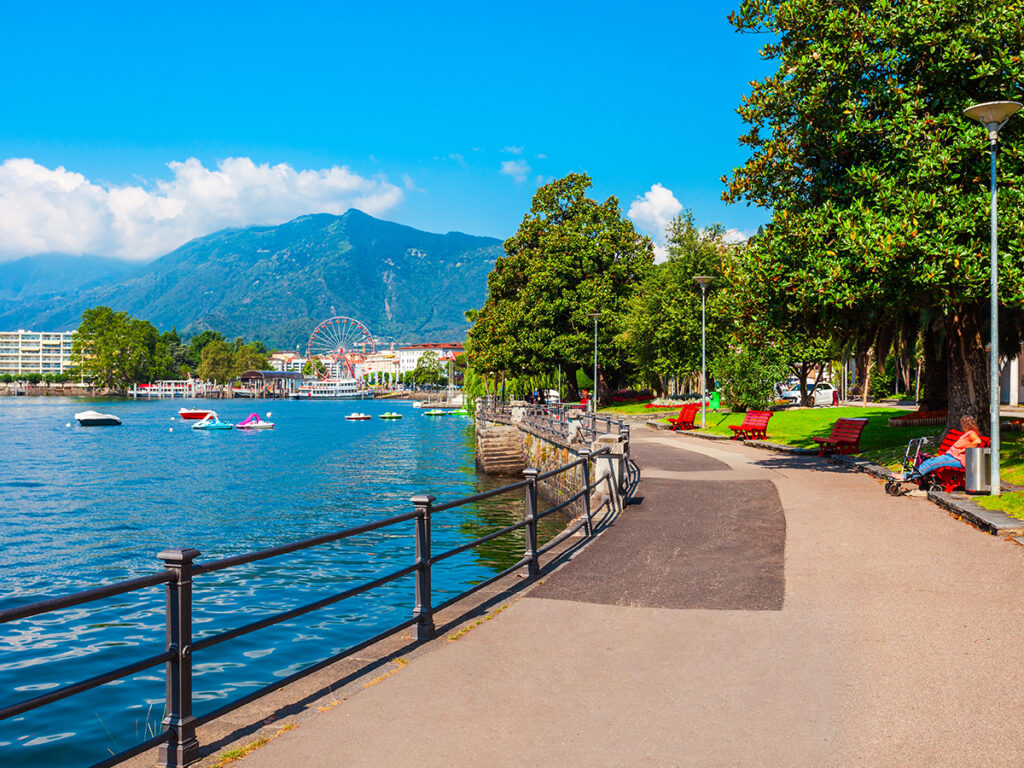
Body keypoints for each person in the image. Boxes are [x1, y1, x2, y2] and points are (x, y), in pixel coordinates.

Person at [897, 415, 983, 482]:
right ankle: (908, 475)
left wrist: (964, 449)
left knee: (932, 463)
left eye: (963, 423)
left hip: (958, 459)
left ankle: (907, 476)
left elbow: (977, 441)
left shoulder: (971, 433)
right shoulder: (968, 433)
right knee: (930, 461)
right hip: (952, 456)